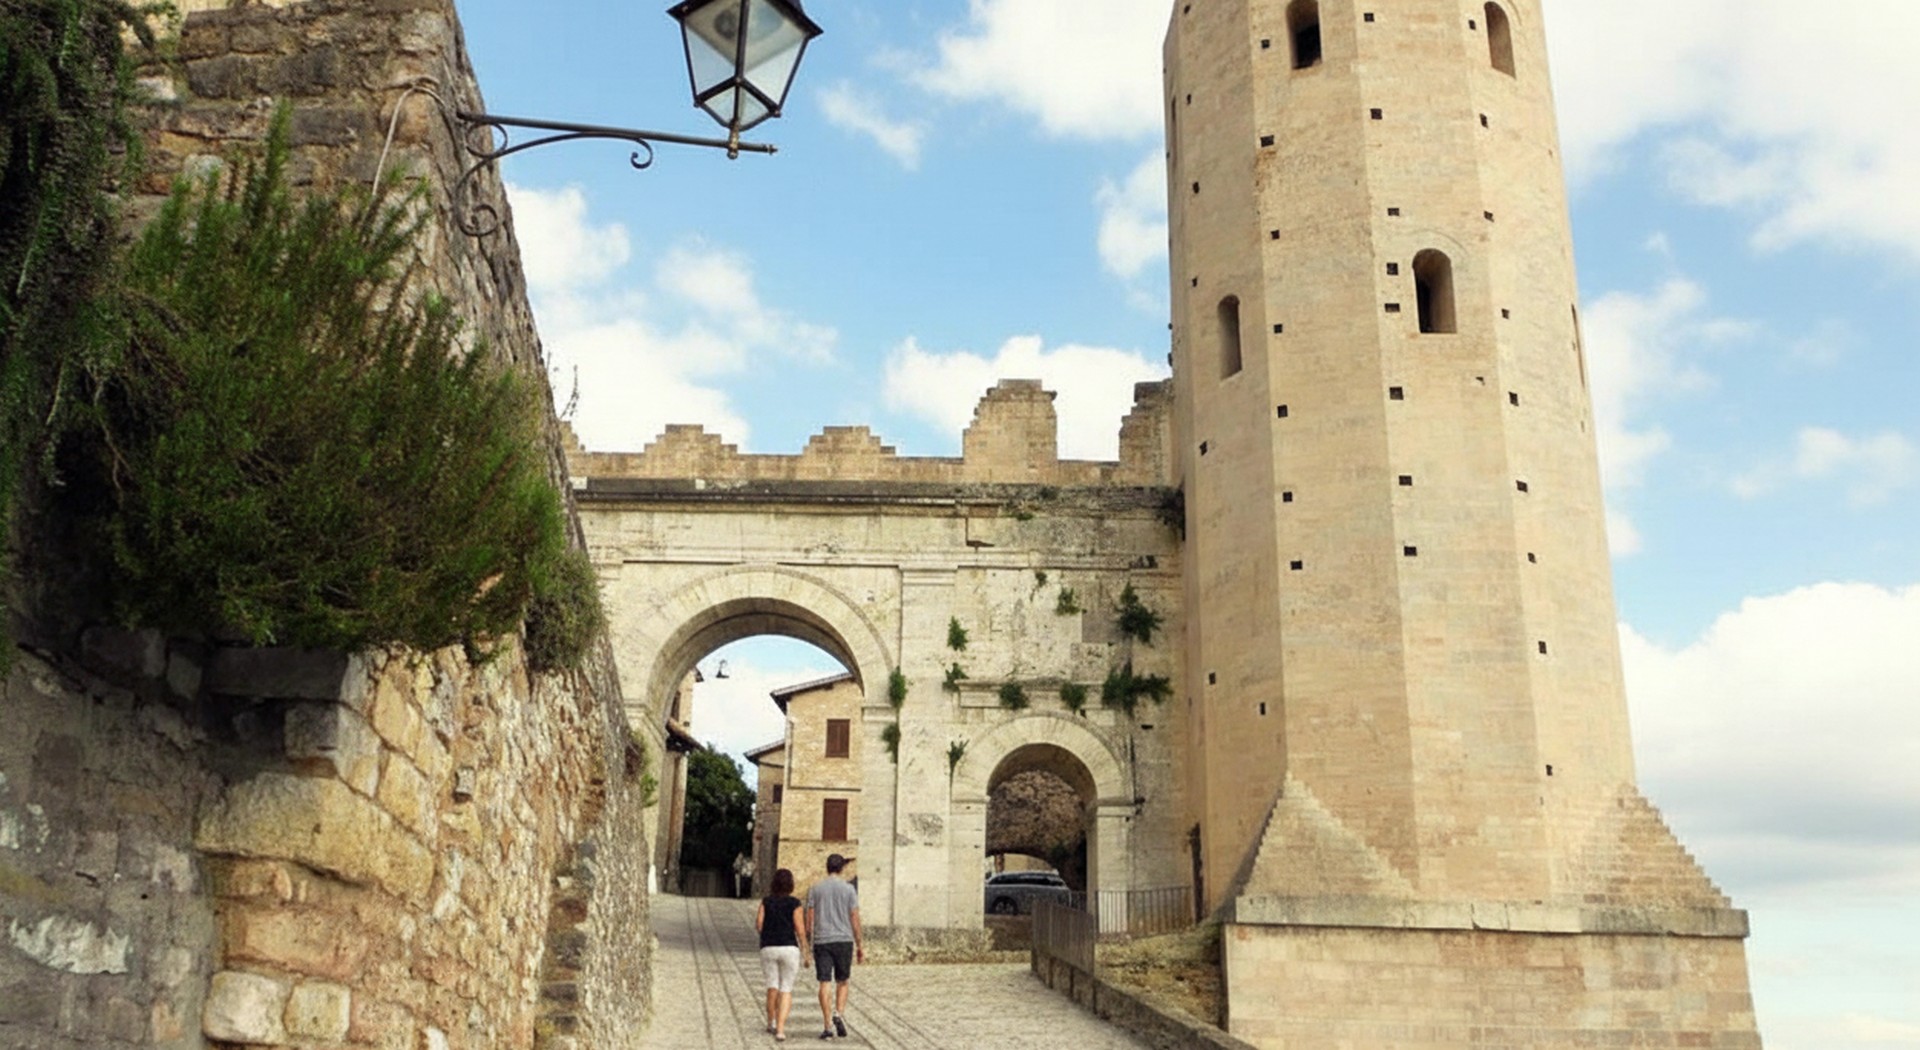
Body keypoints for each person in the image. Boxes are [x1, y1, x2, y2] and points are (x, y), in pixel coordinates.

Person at [804, 853, 864, 1040]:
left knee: (824, 982)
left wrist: (807, 941)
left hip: (822, 940)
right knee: (843, 980)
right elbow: (854, 917)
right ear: (842, 868)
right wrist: (860, 943)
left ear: (827, 867)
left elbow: (809, 918)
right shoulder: (849, 890)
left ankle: (827, 1024)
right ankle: (839, 1012)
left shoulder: (815, 889)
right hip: (844, 940)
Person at [756, 868, 808, 1042]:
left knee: (772, 986)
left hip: (768, 947)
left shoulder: (766, 901)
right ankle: (780, 1029)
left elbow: (759, 925)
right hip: (789, 948)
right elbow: (800, 930)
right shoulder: (795, 903)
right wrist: (806, 952)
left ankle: (770, 1022)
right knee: (786, 988)